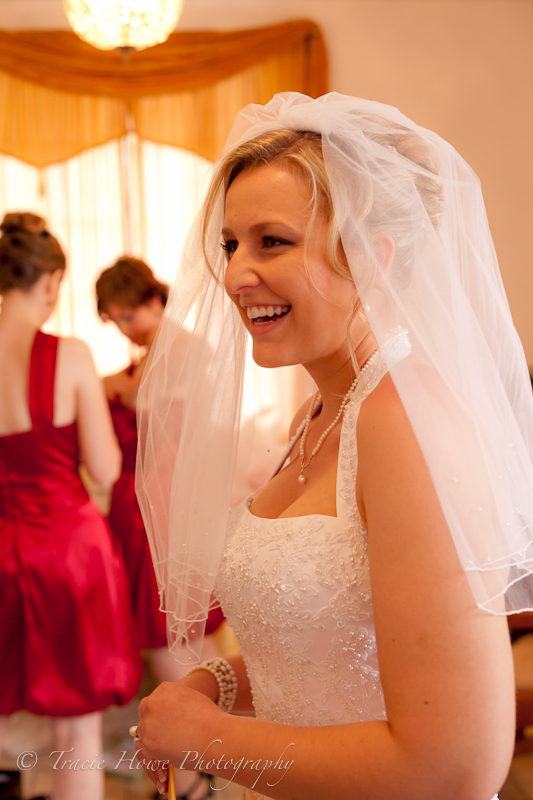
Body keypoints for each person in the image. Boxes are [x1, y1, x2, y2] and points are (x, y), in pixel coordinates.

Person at [133, 93, 533, 800]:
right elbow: (345, 641)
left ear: (370, 255)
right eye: (229, 244)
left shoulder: (403, 421)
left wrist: (204, 739)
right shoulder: (323, 415)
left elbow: (453, 768)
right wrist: (217, 681)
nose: (233, 275)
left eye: (272, 241)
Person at [0, 212, 142, 800]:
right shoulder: (72, 355)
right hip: (70, 553)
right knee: (76, 731)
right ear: (52, 282)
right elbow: (106, 468)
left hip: (7, 553)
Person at [96, 256, 223, 800]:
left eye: (129, 315)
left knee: (172, 635)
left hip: (164, 508)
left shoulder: (188, 352)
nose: (126, 328)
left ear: (153, 300)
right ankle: (191, 765)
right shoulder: (148, 357)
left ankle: (193, 772)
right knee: (165, 638)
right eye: (116, 320)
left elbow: (174, 421)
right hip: (130, 512)